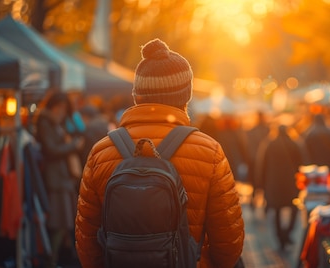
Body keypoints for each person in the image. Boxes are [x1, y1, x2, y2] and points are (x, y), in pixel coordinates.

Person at [75, 38, 244, 268]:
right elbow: (229, 244)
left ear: (137, 94)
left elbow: (86, 242)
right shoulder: (209, 151)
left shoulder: (101, 152)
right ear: (185, 96)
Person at [35, 91, 85, 268]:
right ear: (53, 105)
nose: (62, 111)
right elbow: (51, 149)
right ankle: (50, 260)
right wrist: (73, 146)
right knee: (59, 222)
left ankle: (55, 258)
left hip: (62, 178)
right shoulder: (45, 122)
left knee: (64, 222)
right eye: (60, 107)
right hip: (55, 179)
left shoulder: (56, 122)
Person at [255, 124, 303, 251]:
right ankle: (287, 233)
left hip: (274, 183)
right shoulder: (294, 143)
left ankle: (280, 237)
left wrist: (261, 184)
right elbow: (302, 164)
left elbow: (262, 165)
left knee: (276, 210)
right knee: (294, 208)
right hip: (291, 184)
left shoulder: (269, 144)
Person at [245, 111, 270, 209]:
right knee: (264, 181)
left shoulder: (251, 131)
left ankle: (253, 200)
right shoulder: (268, 130)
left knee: (254, 182)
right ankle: (264, 201)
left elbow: (248, 146)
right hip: (263, 161)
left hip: (253, 159)